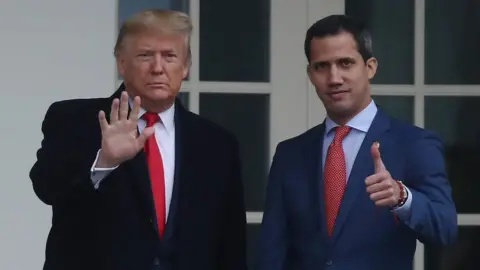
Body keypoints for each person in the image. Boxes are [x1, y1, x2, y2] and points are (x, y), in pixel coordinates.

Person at [30, 9, 246, 270]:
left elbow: (230, 244)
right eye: (145, 55)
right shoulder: (73, 120)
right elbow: (46, 188)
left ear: (186, 66)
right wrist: (105, 162)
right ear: (121, 62)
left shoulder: (217, 144)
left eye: (169, 56)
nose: (158, 68)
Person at [256, 14, 457, 270]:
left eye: (346, 63)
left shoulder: (414, 144)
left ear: (370, 67)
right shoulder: (290, 154)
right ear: (310, 74)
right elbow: (271, 252)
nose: (334, 78)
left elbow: (445, 228)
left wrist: (401, 197)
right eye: (321, 66)